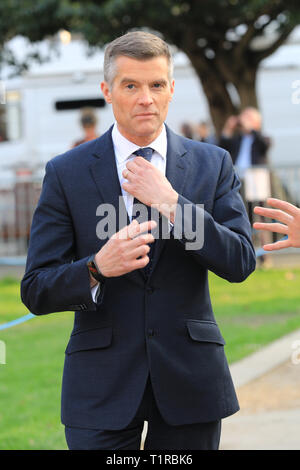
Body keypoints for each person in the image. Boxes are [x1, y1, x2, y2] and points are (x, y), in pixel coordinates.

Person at [21, 31, 256, 451]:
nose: (146, 97)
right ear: (107, 91)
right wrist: (96, 268)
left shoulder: (212, 164)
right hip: (99, 389)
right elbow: (36, 288)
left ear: (171, 91)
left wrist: (172, 204)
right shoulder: (66, 172)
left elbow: (239, 261)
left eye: (156, 85)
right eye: (131, 85)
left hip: (191, 383)